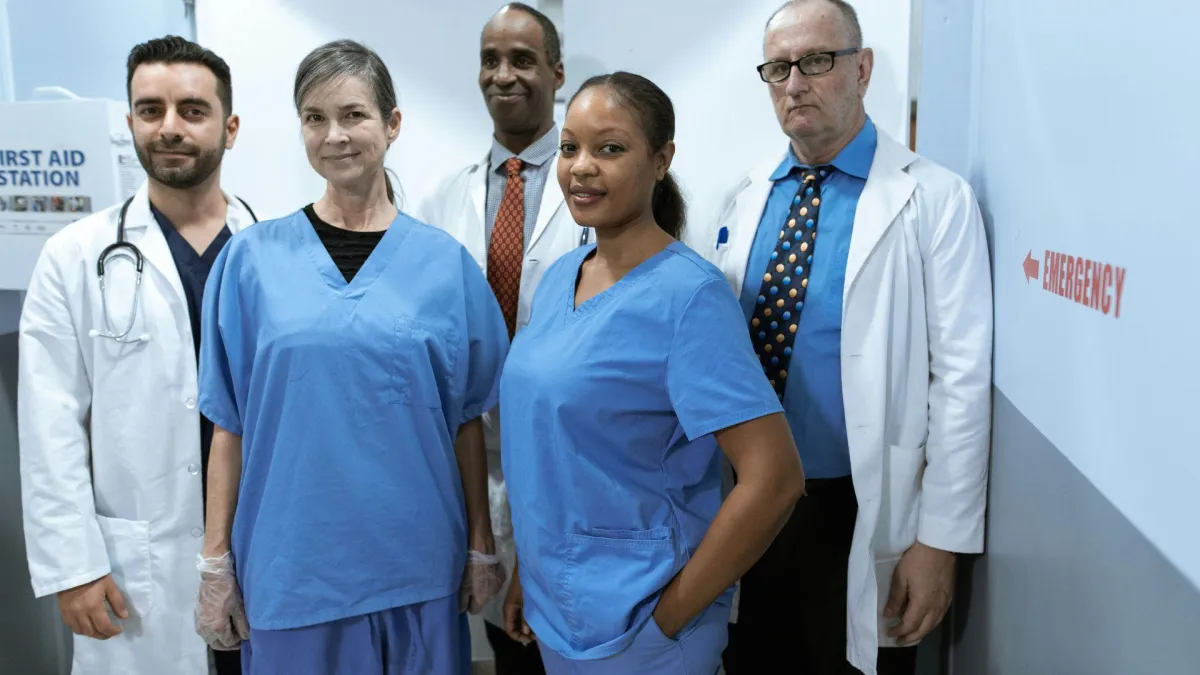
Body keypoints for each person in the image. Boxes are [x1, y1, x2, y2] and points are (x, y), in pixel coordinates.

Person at [685, 1, 994, 674]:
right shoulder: (741, 199)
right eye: (778, 68)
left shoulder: (934, 199)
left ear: (863, 68)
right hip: (748, 502)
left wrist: (939, 541)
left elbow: (962, 382)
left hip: (861, 507)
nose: (795, 84)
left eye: (817, 61)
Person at [192, 39, 510, 675]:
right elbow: (229, 425)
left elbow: (467, 421)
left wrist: (481, 542)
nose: (334, 135)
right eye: (315, 118)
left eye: (353, 115)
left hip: (417, 566)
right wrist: (215, 561)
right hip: (291, 568)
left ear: (392, 124)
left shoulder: (445, 266)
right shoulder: (251, 261)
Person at [498, 71, 808, 675]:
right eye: (570, 147)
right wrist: (527, 572)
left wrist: (668, 620)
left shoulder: (689, 297)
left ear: (661, 159)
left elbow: (775, 479)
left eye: (610, 148)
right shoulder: (561, 276)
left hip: (641, 625)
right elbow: (550, 451)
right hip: (557, 609)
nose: (581, 167)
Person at [17, 35, 255, 675]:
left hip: (260, 546)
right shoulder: (74, 256)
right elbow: (49, 424)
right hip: (140, 568)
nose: (169, 127)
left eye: (192, 110)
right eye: (150, 110)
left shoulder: (274, 250)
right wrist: (74, 565)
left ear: (230, 128)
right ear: (129, 124)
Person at [416, 5, 585, 673]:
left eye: (522, 59)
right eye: (491, 60)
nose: (503, 75)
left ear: (557, 73)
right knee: (510, 652)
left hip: (575, 457)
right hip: (476, 460)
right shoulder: (441, 198)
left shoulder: (594, 184)